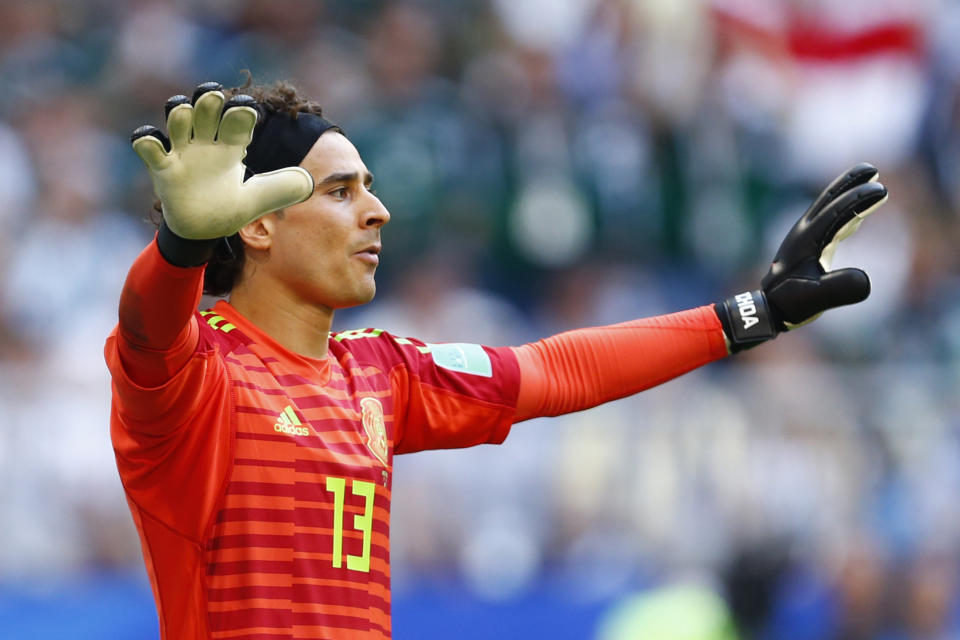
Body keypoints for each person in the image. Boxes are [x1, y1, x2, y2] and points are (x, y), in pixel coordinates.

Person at [105, 80, 888, 640]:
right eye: (341, 191)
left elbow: (555, 371)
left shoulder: (380, 373)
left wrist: (750, 315)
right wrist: (178, 247)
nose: (379, 210)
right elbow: (147, 329)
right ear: (257, 226)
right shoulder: (199, 379)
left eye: (369, 187)